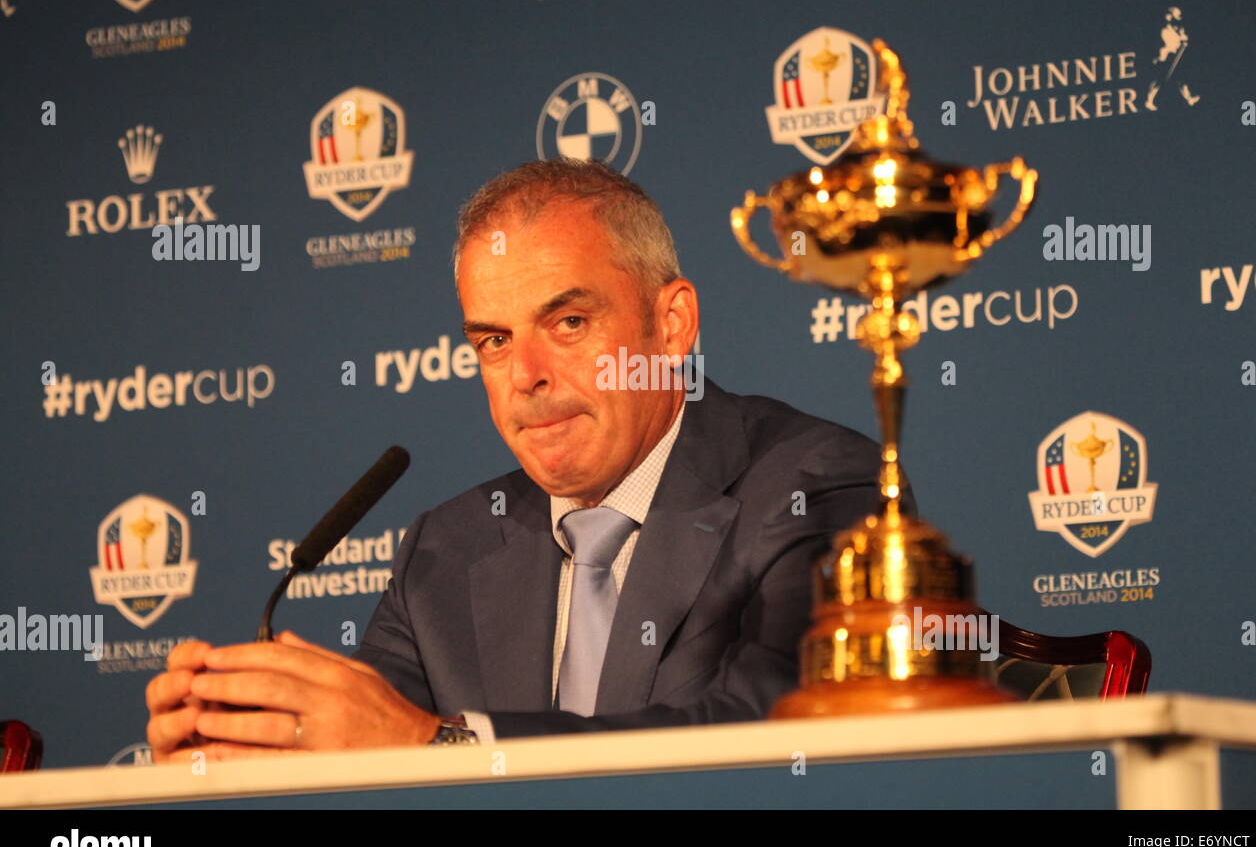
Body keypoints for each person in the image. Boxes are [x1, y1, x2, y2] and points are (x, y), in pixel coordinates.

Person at [145, 158, 913, 760]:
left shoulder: (818, 486)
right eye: (494, 340)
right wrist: (247, 747)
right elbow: (365, 755)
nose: (526, 376)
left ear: (672, 323)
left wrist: (437, 748)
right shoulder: (446, 551)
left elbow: (775, 736)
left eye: (569, 321)